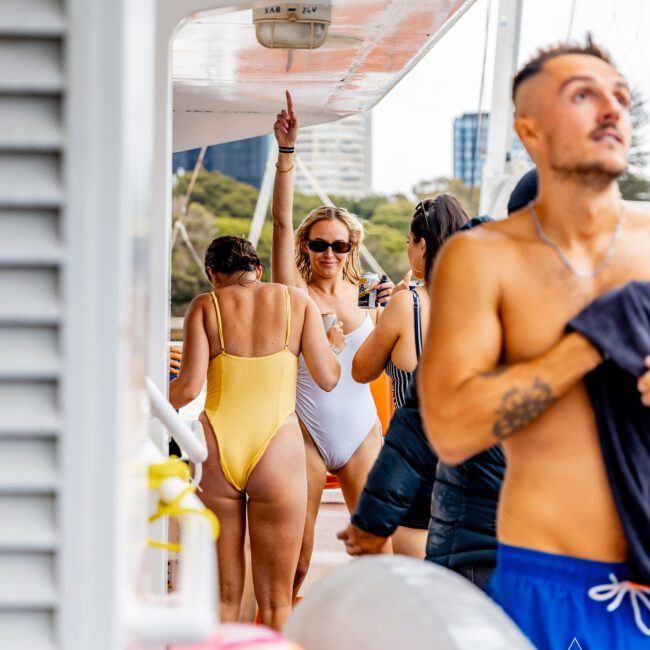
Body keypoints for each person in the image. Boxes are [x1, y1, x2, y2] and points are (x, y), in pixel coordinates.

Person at [418, 37, 650, 648]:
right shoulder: (482, 259)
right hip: (549, 582)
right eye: (583, 95)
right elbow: (453, 429)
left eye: (620, 98)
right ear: (531, 130)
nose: (611, 109)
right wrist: (592, 341)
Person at [169, 236, 344, 630]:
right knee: (278, 602)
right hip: (278, 449)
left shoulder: (205, 306)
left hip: (217, 446)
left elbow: (188, 389)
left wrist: (134, 395)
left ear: (212, 274)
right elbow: (328, 379)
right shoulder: (297, 303)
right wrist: (333, 345)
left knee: (224, 599)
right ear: (258, 269)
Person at [271, 91, 393, 595]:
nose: (328, 251)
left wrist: (392, 309)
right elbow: (279, 224)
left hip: (363, 432)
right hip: (308, 434)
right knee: (297, 558)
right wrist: (287, 152)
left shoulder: (370, 291)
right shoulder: (294, 291)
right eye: (318, 243)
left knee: (376, 555)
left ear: (351, 248)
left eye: (339, 244)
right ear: (306, 245)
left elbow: (397, 353)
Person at [346, 195, 470, 557]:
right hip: (472, 450)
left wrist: (386, 312)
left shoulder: (407, 305)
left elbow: (361, 371)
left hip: (417, 455)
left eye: (408, 243)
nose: (407, 251)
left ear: (423, 246)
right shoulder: (482, 302)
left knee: (418, 582)